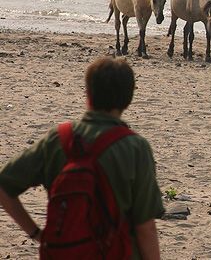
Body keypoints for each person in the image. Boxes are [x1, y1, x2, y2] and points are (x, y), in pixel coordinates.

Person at [0, 56, 164, 259]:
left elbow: (4, 187)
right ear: (128, 99)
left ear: (88, 94)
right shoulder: (136, 148)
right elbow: (145, 226)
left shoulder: (58, 139)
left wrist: (36, 233)